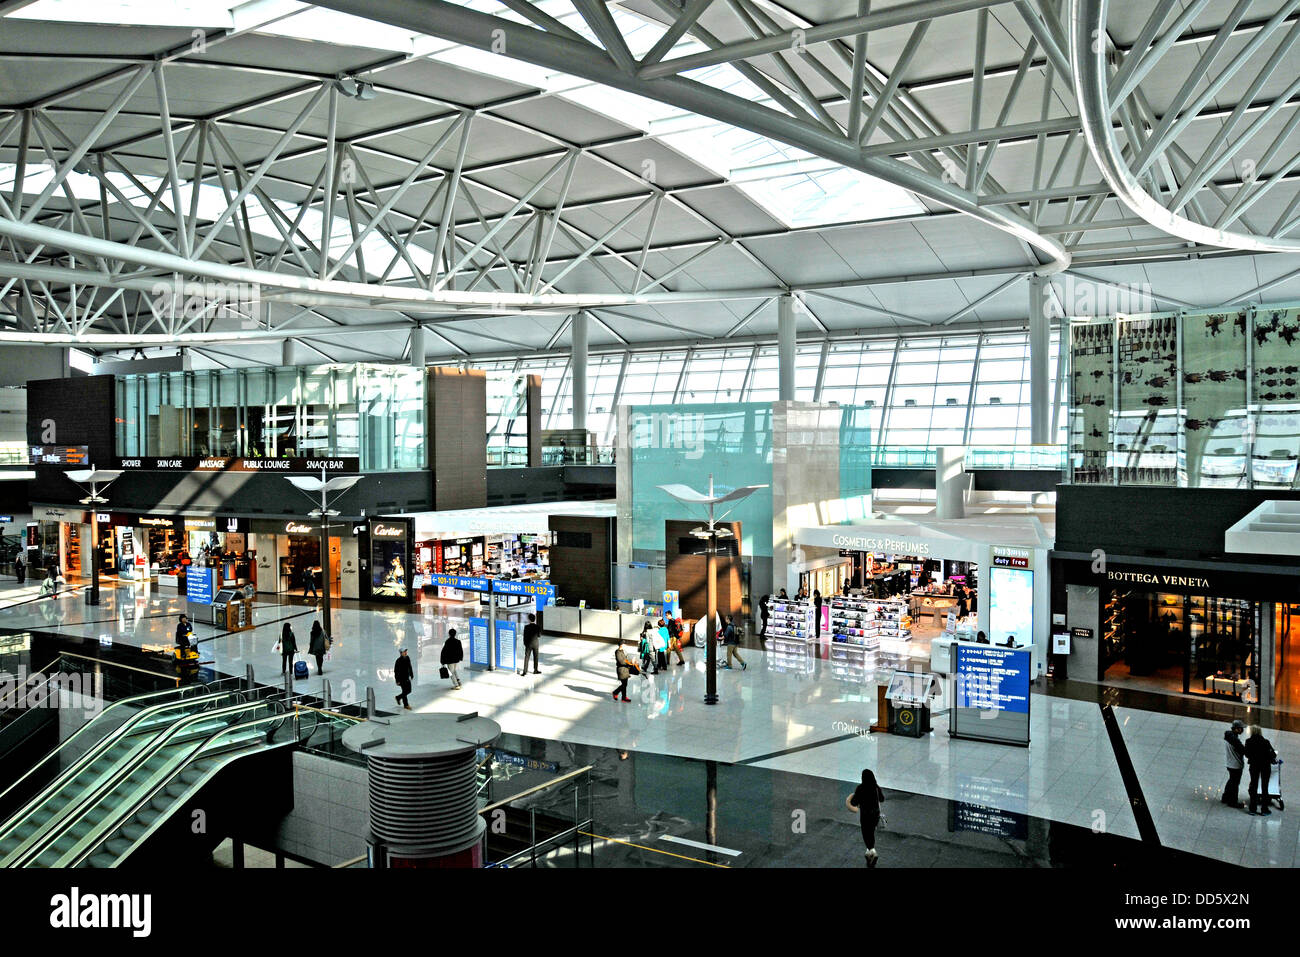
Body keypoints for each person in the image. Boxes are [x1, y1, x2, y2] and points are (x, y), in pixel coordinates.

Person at [846, 768, 885, 867]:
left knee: (866, 832)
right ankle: (870, 850)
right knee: (871, 831)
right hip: (875, 814)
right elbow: (882, 799)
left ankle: (871, 850)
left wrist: (852, 798)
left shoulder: (860, 788)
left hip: (865, 815)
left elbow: (854, 802)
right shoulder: (876, 787)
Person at [1245, 724, 1278, 815]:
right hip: (1265, 767)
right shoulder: (1265, 742)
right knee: (1264, 787)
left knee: (1254, 786)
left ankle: (1253, 809)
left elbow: (1246, 754)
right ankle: (1264, 809)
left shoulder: (1248, 741)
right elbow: (1273, 755)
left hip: (1254, 766)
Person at [1222, 719, 1246, 808]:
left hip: (1230, 763)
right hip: (1236, 765)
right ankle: (1233, 801)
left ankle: (1225, 797)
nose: (1242, 730)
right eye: (1241, 728)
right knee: (1235, 784)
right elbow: (1243, 751)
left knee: (1231, 781)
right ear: (1236, 729)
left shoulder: (1228, 736)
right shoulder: (1235, 740)